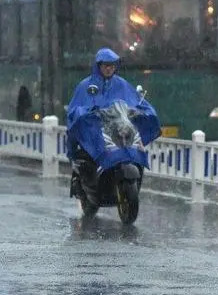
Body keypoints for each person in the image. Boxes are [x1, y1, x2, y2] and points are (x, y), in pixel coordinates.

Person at [66, 47, 159, 203]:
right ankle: (87, 181)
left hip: (117, 126)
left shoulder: (122, 84)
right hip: (96, 127)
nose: (109, 68)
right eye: (105, 65)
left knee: (133, 146)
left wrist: (141, 111)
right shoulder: (86, 85)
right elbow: (75, 108)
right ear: (99, 66)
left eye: (112, 65)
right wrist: (85, 112)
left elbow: (135, 101)